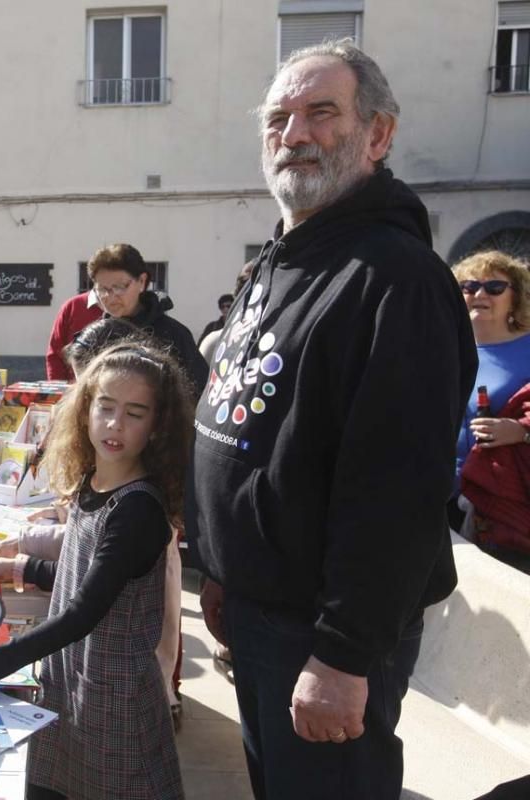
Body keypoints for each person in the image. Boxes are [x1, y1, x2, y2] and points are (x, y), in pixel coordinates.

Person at [187, 40, 476, 799]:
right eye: (278, 118)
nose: (295, 134)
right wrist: (223, 569)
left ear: (377, 135)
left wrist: (345, 657)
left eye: (322, 113)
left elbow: (398, 490)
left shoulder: (396, 280)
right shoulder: (281, 259)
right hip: (257, 610)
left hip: (321, 635)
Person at [0, 342, 190, 799]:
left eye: (135, 413)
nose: (114, 424)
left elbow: (84, 611)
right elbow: (83, 576)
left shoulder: (137, 510)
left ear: (158, 426)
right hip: (74, 684)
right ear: (85, 409)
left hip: (115, 700)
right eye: (105, 407)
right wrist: (25, 566)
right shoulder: (95, 483)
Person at [452, 251, 530, 556]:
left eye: (495, 288)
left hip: (503, 502)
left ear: (516, 298)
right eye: (468, 287)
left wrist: (520, 430)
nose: (480, 294)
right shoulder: (441, 345)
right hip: (440, 495)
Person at [85, 243, 208, 395]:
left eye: (119, 286)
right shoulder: (97, 336)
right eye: (102, 289)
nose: (110, 297)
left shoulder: (173, 334)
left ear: (142, 282)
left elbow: (200, 392)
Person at [44, 290, 104, 382]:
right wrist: (57, 390)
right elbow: (55, 353)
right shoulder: (72, 306)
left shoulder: (129, 308)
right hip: (74, 388)